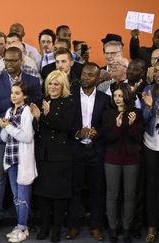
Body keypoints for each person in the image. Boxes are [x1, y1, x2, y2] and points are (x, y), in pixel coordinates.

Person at [0, 47, 42, 233]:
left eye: (13, 61)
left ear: (22, 61)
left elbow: (36, 106)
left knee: (24, 182)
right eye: (6, 61)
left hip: (24, 141)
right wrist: (10, 102)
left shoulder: (33, 81)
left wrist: (20, 104)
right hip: (1, 137)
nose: (9, 64)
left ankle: (24, 219)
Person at [65, 63, 110, 241]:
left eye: (90, 75)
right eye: (84, 74)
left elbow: (107, 125)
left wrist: (97, 133)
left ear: (98, 79)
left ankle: (96, 226)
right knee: (74, 189)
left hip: (96, 151)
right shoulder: (70, 97)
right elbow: (65, 123)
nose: (85, 77)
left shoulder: (104, 99)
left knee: (97, 189)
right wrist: (77, 132)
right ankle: (73, 226)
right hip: (76, 150)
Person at [31, 70, 75, 242]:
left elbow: (65, 127)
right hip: (43, 155)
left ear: (63, 85)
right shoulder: (40, 101)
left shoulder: (69, 102)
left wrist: (45, 116)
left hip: (61, 156)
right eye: (50, 83)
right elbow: (35, 128)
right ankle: (45, 226)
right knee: (43, 194)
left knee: (59, 195)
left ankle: (56, 229)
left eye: (56, 84)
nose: (53, 87)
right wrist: (36, 119)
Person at [102, 83, 143, 243]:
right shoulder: (107, 114)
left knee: (129, 195)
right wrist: (118, 126)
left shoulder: (136, 113)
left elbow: (138, 138)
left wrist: (131, 126)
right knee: (112, 194)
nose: (117, 99)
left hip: (132, 159)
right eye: (115, 96)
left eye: (120, 95)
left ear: (127, 96)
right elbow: (107, 138)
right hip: (112, 158)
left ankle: (127, 228)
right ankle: (113, 228)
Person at [0, 82, 37, 243]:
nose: (13, 96)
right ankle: (20, 226)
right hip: (10, 158)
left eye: (17, 93)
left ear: (25, 95)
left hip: (23, 161)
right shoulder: (9, 111)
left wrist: (8, 127)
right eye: (12, 93)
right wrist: (4, 127)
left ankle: (22, 227)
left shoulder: (27, 111)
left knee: (23, 197)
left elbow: (27, 137)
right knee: (16, 196)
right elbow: (3, 138)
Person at [141, 59, 159, 243]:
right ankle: (152, 226)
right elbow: (144, 120)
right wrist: (148, 107)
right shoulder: (148, 90)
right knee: (152, 187)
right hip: (151, 145)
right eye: (156, 70)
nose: (158, 74)